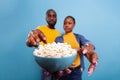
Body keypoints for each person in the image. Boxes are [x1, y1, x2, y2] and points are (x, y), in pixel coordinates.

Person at [26, 9, 71, 80]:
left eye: (54, 16)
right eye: (49, 16)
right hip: (45, 64)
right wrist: (30, 40)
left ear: (56, 18)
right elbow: (32, 39)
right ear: (46, 18)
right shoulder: (40, 29)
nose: (52, 18)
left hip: (57, 64)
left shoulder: (58, 33)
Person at [55, 16, 98, 80]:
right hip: (63, 71)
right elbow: (57, 53)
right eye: (65, 23)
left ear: (74, 25)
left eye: (69, 23)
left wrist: (89, 47)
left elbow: (89, 44)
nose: (66, 25)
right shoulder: (58, 39)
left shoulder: (79, 37)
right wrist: (77, 50)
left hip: (76, 71)